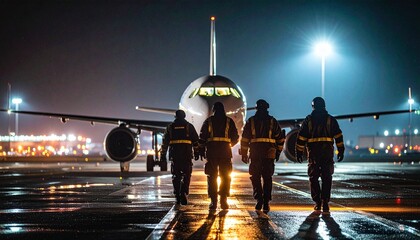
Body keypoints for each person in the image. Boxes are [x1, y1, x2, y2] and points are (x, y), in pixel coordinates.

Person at [295, 97, 345, 212]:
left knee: (314, 178)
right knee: (327, 178)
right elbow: (338, 136)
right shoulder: (330, 120)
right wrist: (341, 150)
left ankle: (317, 202)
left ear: (313, 106)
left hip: (314, 154)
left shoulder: (308, 120)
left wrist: (298, 152)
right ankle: (325, 202)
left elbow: (301, 138)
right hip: (327, 153)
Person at [240, 99, 285, 212]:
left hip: (255, 153)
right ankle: (266, 202)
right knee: (267, 177)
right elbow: (280, 138)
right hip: (269, 153)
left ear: (256, 109)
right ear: (267, 108)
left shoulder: (251, 121)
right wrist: (278, 152)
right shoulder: (272, 121)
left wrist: (244, 153)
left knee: (255, 177)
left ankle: (259, 199)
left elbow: (245, 139)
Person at [199, 102, 239, 210]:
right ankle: (224, 200)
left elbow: (202, 138)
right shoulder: (229, 121)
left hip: (212, 152)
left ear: (213, 110)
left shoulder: (208, 121)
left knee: (212, 177)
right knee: (225, 176)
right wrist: (228, 145)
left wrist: (202, 150)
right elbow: (235, 137)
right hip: (225, 152)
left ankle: (213, 201)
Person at [161, 110, 199, 205]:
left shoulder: (170, 127)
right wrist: (197, 152)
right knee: (187, 175)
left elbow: (165, 143)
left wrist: (163, 155)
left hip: (175, 155)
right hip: (186, 155)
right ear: (184, 116)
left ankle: (177, 195)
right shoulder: (189, 126)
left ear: (175, 116)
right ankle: (184, 192)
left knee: (176, 176)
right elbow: (195, 141)